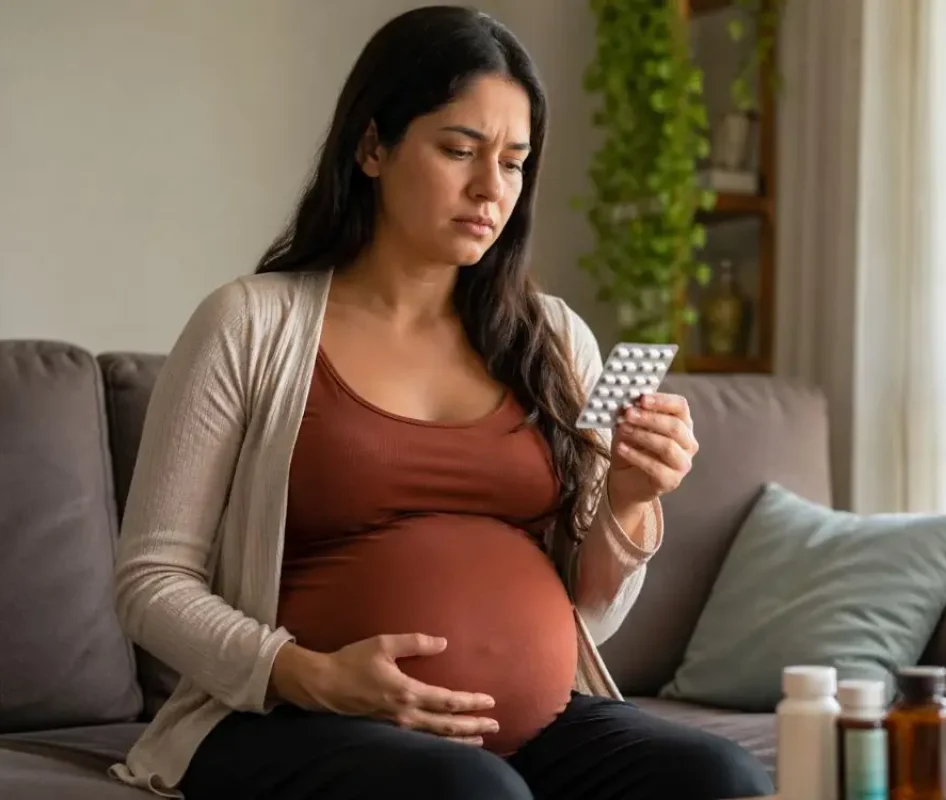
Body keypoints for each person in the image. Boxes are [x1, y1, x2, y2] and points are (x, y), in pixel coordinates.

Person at [108, 6, 774, 800]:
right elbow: (151, 581)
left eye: (516, 161)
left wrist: (629, 502)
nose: (491, 187)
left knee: (720, 777)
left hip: (532, 730)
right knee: (472, 793)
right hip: (294, 718)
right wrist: (310, 674)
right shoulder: (250, 324)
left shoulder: (554, 340)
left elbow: (591, 612)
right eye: (460, 149)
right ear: (372, 147)